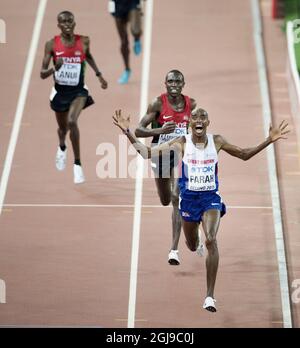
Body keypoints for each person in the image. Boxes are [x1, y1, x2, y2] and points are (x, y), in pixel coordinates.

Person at [112, 108, 289, 312]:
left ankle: (209, 297)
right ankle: (194, 238)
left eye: (202, 117)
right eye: (194, 117)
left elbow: (244, 154)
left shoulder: (218, 141)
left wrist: (268, 140)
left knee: (211, 239)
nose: (198, 119)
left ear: (208, 122)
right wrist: (127, 132)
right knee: (192, 244)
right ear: (190, 124)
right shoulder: (182, 142)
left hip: (210, 199)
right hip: (188, 202)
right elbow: (146, 153)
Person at [135, 69, 203, 266]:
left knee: (176, 196)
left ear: (183, 84)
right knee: (165, 199)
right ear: (165, 83)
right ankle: (190, 229)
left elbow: (198, 128)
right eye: (171, 81)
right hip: (161, 151)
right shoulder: (158, 103)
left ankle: (174, 249)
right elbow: (139, 129)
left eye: (178, 81)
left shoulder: (192, 104)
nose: (174, 84)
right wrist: (160, 130)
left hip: (183, 153)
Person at [40, 10, 108, 183]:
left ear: (74, 23)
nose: (67, 24)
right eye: (63, 22)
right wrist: (55, 68)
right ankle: (62, 147)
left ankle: (77, 164)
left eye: (70, 21)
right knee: (63, 129)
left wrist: (99, 74)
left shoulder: (83, 41)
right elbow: (42, 74)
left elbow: (89, 56)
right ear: (58, 25)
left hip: (79, 91)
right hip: (60, 93)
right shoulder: (51, 45)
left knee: (72, 121)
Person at [109, 0, 145, 84]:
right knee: (124, 42)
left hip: (132, 3)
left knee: (135, 30)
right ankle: (127, 70)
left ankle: (137, 39)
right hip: (118, 5)